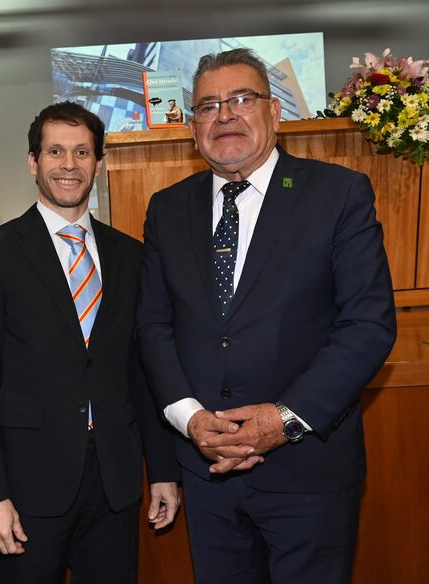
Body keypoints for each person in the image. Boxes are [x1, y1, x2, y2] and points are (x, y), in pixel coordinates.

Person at [136, 48, 396, 583]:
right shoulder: (167, 208)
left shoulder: (338, 194)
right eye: (208, 106)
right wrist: (190, 418)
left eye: (241, 99)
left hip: (309, 471)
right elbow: (154, 325)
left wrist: (283, 419)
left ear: (274, 113)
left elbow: (367, 325)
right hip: (207, 469)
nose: (224, 115)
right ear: (193, 128)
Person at [0, 101, 181, 583]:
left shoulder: (130, 256)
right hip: (28, 486)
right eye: (55, 151)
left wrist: (163, 469)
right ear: (33, 162)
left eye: (82, 152)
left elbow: (142, 373)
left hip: (115, 483)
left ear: (98, 162)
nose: (69, 165)